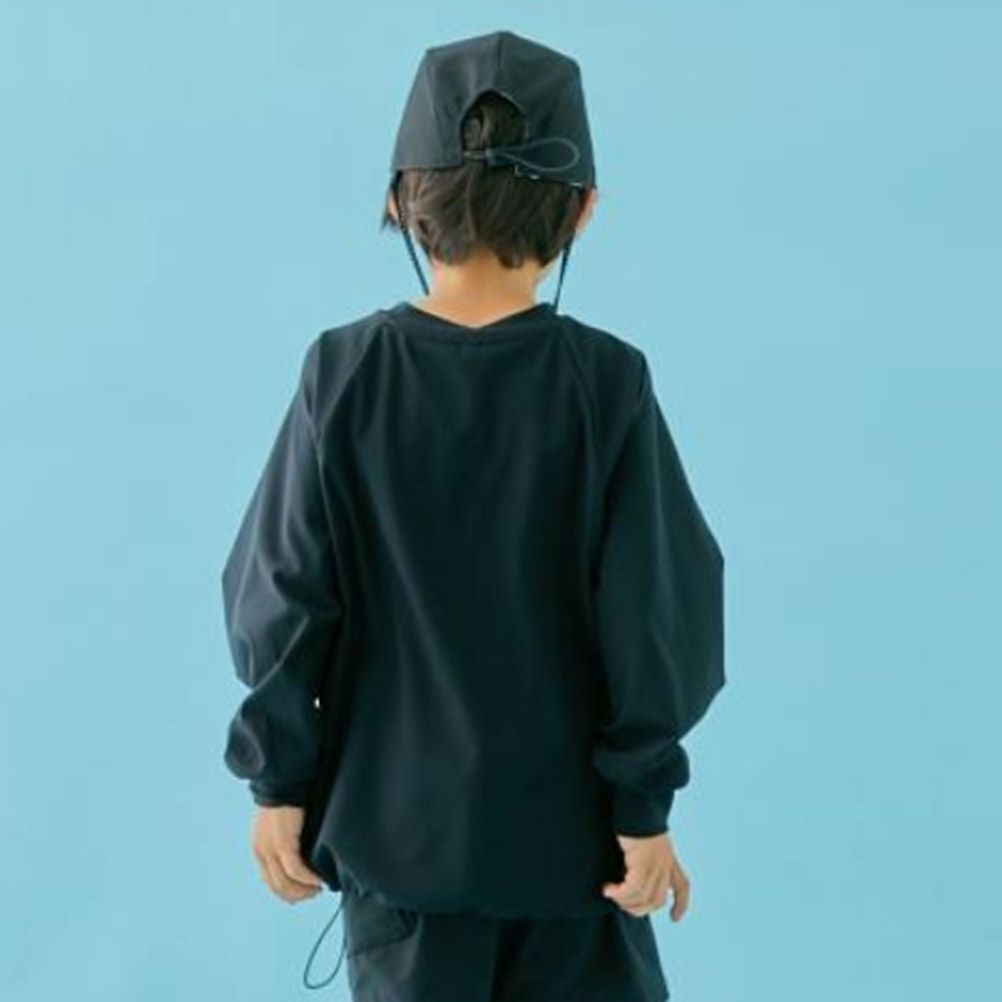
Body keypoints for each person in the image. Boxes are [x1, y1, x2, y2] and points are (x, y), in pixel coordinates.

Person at [220, 28, 725, 1002]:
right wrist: (642, 804)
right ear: (582, 209)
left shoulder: (345, 374)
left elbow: (282, 592)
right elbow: (658, 611)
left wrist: (278, 780)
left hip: (398, 852)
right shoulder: (605, 383)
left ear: (398, 202)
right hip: (576, 854)